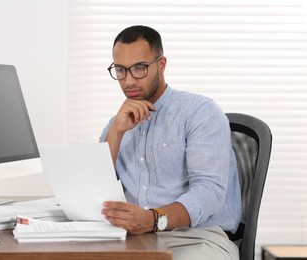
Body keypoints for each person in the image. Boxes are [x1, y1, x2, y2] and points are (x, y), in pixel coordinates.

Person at [100, 25, 242, 260]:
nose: (128, 81)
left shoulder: (199, 112)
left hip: (196, 239)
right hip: (132, 240)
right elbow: (95, 186)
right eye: (121, 70)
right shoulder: (118, 123)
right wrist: (116, 131)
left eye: (139, 68)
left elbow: (209, 192)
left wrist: (152, 219)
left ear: (161, 65)